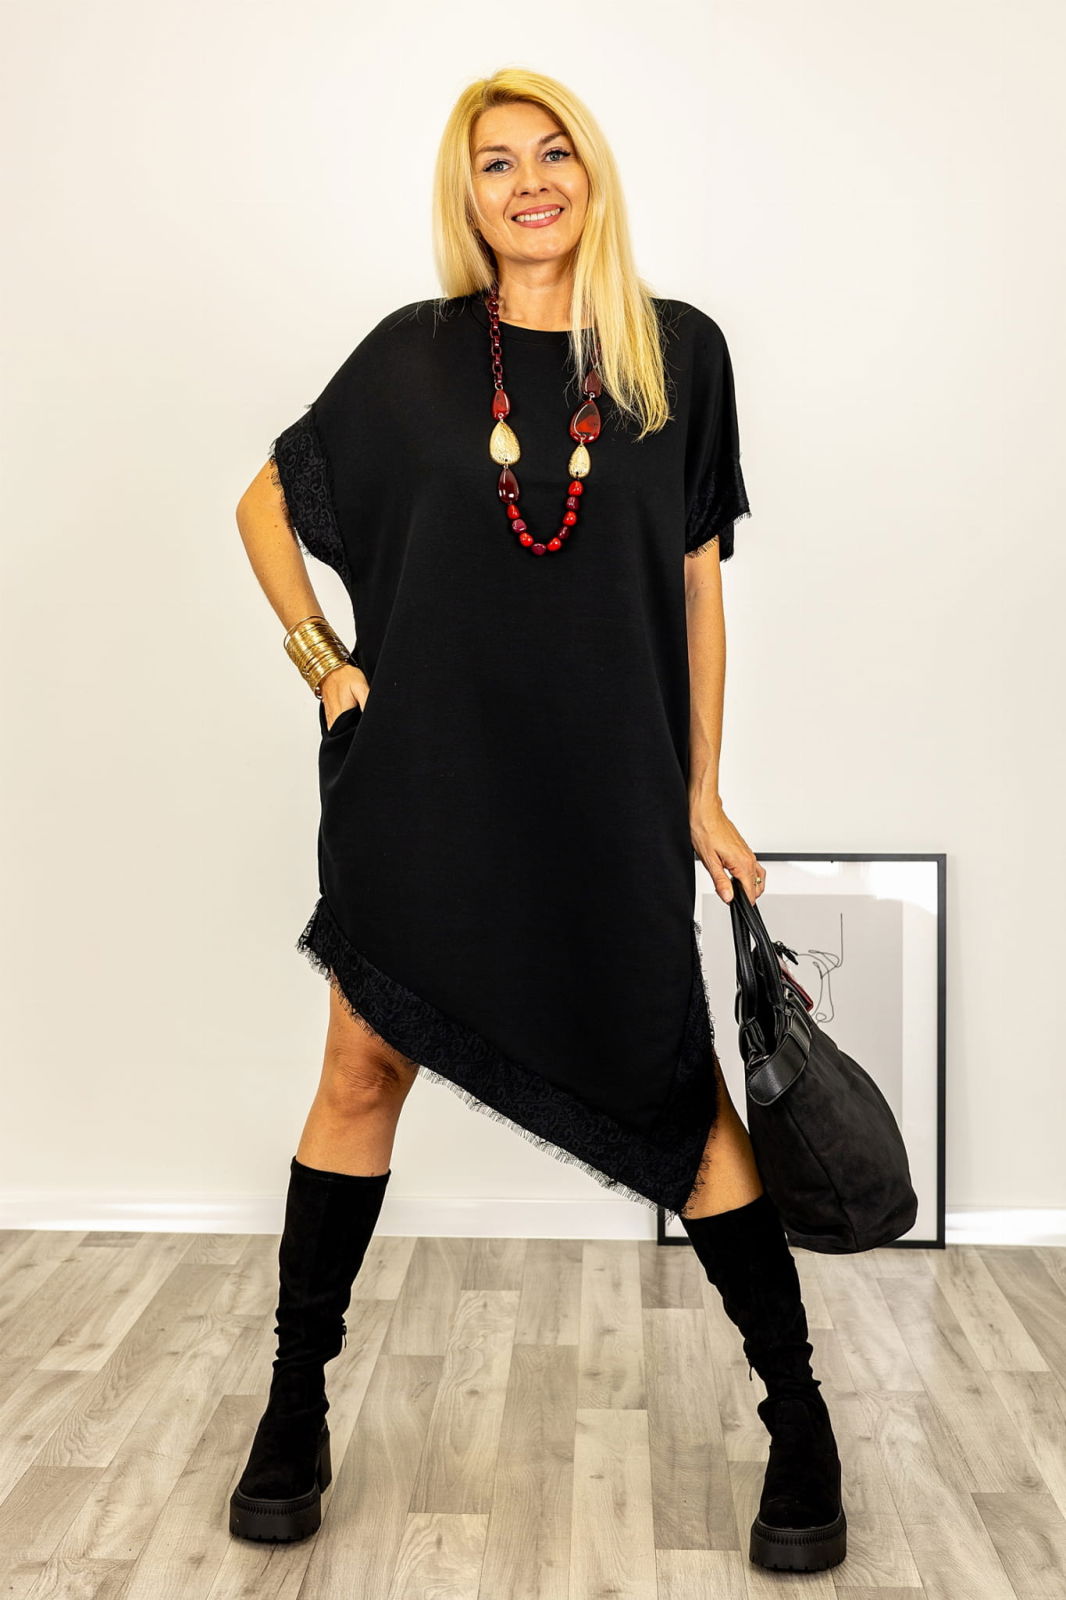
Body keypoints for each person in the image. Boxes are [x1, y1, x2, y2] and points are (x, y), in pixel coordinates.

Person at [229, 67, 846, 1574]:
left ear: (593, 173)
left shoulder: (675, 354)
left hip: (603, 790)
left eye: (553, 152)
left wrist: (699, 790)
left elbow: (696, 587)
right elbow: (264, 502)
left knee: (673, 1088)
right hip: (426, 790)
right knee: (361, 1065)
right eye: (496, 162)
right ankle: (294, 1404)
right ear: (469, 196)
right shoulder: (414, 356)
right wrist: (326, 663)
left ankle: (799, 1416)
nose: (530, 182)